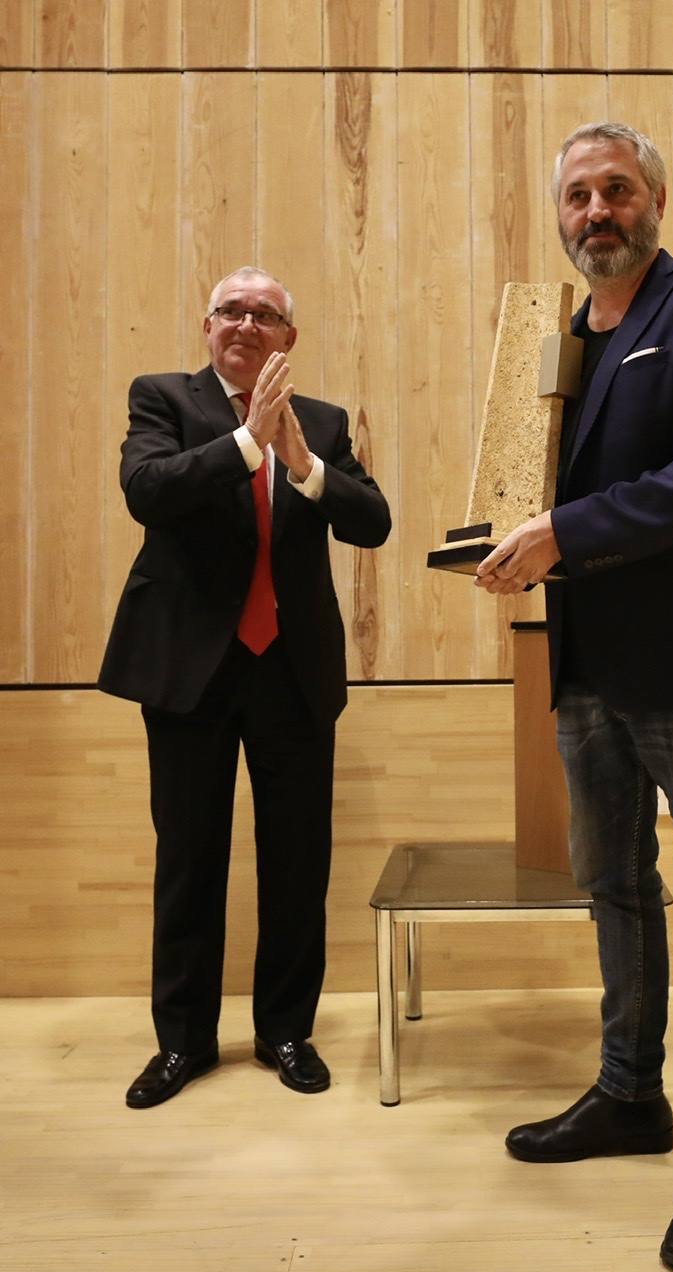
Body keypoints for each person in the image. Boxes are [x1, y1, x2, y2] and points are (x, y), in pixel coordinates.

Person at [475, 123, 673, 1272]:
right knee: (612, 885)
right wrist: (500, 531)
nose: (595, 211)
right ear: (557, 216)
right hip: (587, 663)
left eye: (615, 190)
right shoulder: (560, 339)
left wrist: (559, 530)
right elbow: (537, 481)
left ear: (655, 196)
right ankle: (628, 1093)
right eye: (575, 196)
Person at [99, 266, 390, 1109]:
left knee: (298, 860)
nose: (247, 323)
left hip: (291, 670)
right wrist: (243, 444)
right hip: (189, 669)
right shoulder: (163, 398)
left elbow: (371, 523)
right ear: (206, 325)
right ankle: (182, 1044)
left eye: (266, 314)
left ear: (288, 340)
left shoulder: (323, 423)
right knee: (188, 858)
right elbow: (146, 492)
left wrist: (305, 465)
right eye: (232, 309)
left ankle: (285, 1032)